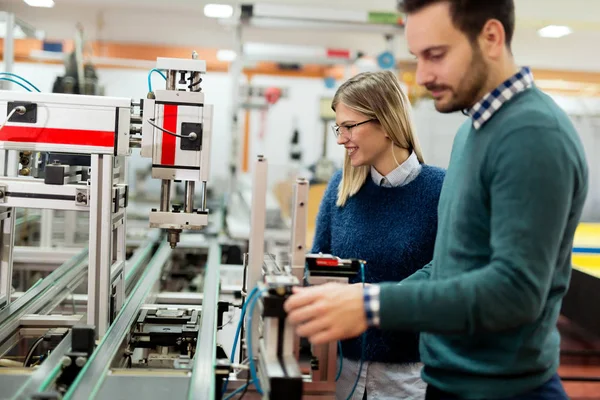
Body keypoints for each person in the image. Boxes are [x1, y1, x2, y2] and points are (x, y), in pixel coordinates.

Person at [284, 1, 589, 400]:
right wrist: (354, 299)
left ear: (491, 37)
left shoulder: (532, 134)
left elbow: (515, 292)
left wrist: (372, 304)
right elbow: (448, 266)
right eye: (417, 57)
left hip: (503, 389)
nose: (423, 75)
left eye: (436, 55)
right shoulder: (472, 133)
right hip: (450, 380)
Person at [309, 70, 445, 399]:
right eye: (337, 127)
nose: (341, 139)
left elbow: (447, 283)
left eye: (349, 126)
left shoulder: (441, 190)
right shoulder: (340, 189)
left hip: (409, 377)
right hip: (340, 371)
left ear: (385, 122)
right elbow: (317, 269)